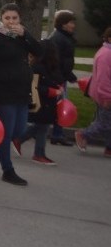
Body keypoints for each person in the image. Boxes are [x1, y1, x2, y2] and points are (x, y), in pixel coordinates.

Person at [0, 3, 42, 186]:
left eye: (15, 18)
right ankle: (7, 170)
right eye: (7, 18)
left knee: (18, 131)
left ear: (20, 19)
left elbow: (40, 52)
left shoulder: (22, 37)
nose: (11, 22)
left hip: (22, 91)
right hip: (3, 91)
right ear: (1, 19)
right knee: (6, 132)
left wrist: (25, 35)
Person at [16, 40, 64, 165]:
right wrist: (52, 91)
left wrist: (58, 87)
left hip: (47, 102)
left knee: (41, 126)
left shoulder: (47, 66)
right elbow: (35, 86)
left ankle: (22, 141)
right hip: (42, 102)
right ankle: (38, 153)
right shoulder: (38, 67)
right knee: (41, 126)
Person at [75, 27, 111, 156]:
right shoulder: (106, 55)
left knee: (106, 121)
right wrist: (107, 97)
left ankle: (109, 148)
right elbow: (103, 79)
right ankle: (83, 134)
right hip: (105, 95)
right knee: (105, 124)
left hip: (103, 93)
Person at [48, 10, 77, 146]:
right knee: (59, 106)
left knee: (59, 106)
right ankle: (55, 133)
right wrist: (61, 79)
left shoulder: (64, 37)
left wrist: (69, 75)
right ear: (64, 24)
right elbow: (56, 62)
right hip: (57, 79)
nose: (73, 25)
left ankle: (57, 133)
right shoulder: (59, 38)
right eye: (71, 22)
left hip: (61, 77)